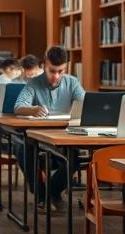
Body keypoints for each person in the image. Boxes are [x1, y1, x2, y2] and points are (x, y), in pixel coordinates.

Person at [14, 46, 86, 210]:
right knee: (22, 148)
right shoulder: (34, 83)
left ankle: (50, 192)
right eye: (52, 71)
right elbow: (18, 107)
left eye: (60, 71)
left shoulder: (72, 82)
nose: (56, 76)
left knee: (75, 157)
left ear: (66, 67)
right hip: (38, 135)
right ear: (45, 65)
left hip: (63, 135)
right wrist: (32, 109)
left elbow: (85, 104)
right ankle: (41, 197)